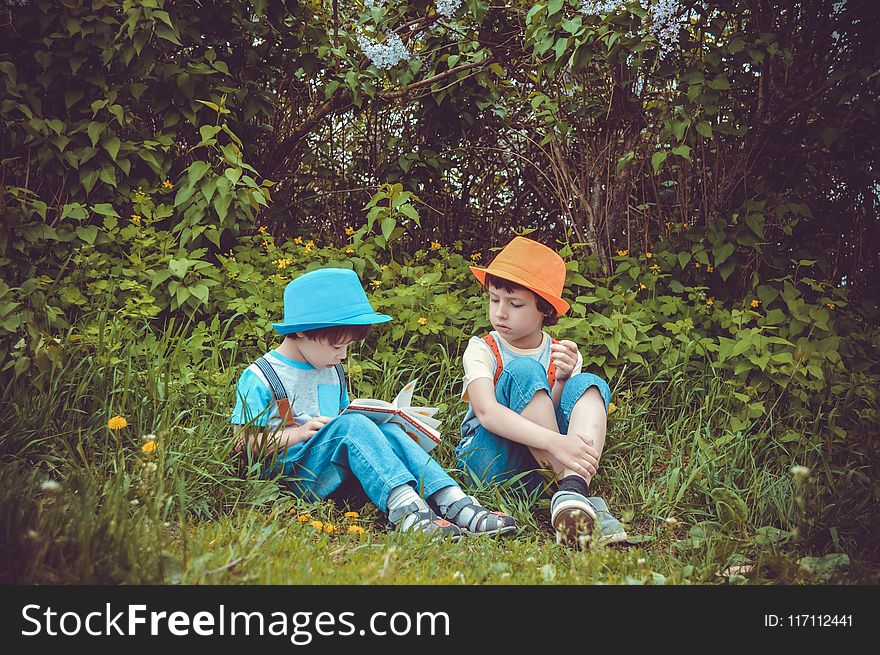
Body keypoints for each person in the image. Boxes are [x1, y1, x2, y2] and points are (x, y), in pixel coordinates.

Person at [231, 267, 516, 541]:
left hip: (336, 473)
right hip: (294, 476)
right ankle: (406, 510)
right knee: (352, 425)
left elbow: (345, 421)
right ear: (303, 331)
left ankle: (454, 501)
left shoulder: (331, 370)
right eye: (336, 346)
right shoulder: (262, 376)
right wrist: (296, 434)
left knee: (389, 430)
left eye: (347, 348)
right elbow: (242, 444)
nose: (342, 356)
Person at [454, 237, 627, 547]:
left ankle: (570, 493)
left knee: (589, 383)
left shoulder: (559, 352)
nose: (501, 313)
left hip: (539, 470)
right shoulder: (482, 349)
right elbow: (486, 412)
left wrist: (561, 379)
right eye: (494, 300)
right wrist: (556, 443)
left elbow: (552, 415)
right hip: (490, 461)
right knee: (524, 371)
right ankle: (577, 494)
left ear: (545, 310)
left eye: (515, 304)